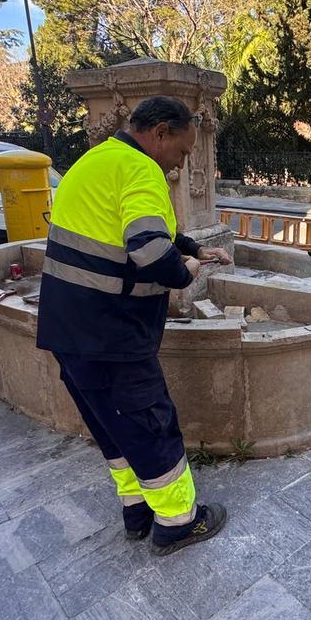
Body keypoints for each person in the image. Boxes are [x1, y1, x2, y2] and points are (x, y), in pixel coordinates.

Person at [36, 95, 234, 554]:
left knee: (112, 427)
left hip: (70, 330)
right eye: (183, 151)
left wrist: (191, 245)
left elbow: (123, 227)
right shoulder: (142, 169)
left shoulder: (96, 160)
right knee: (149, 424)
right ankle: (178, 522)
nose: (181, 165)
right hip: (113, 331)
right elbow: (147, 249)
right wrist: (183, 271)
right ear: (160, 132)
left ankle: (137, 511)